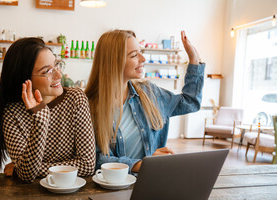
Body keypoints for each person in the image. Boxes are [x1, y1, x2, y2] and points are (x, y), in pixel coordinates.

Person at [85, 30, 204, 172]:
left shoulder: (149, 93)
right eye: (134, 55)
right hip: (114, 188)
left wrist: (194, 60)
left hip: (151, 183)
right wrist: (142, 165)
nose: (143, 58)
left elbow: (190, 102)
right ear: (113, 62)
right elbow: (99, 158)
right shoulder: (89, 106)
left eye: (140, 52)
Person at [0, 38, 96, 183]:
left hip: (71, 189)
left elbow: (87, 165)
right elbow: (27, 175)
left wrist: (29, 169)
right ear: (24, 78)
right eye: (47, 71)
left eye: (56, 65)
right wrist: (40, 120)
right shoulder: (12, 112)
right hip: (28, 196)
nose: (58, 75)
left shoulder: (76, 98)